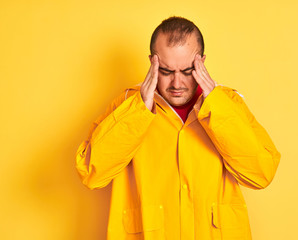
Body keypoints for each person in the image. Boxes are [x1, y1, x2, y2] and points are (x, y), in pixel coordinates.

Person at [76, 16, 281, 240]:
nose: (176, 84)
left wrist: (216, 107)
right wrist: (139, 111)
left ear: (202, 61)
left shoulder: (228, 104)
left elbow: (262, 173)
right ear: (152, 62)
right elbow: (90, 172)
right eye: (165, 71)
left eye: (187, 71)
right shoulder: (127, 105)